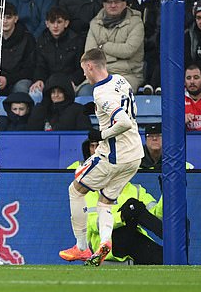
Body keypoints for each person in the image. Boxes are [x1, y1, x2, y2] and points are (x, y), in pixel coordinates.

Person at [59, 47, 144, 266]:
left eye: (84, 70)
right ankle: (105, 243)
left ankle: (81, 247)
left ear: (89, 66)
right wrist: (97, 110)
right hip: (135, 155)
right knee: (105, 201)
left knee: (75, 190)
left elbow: (123, 121)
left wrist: (101, 134)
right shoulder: (120, 80)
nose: (84, 76)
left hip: (114, 155)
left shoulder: (101, 92)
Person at [84, 0, 145, 93]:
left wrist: (103, 46)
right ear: (103, 4)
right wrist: (116, 55)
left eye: (116, 2)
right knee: (84, 92)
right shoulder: (95, 23)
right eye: (109, 2)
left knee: (113, 95)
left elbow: (128, 50)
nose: (112, 5)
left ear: (125, 4)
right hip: (98, 74)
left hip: (127, 74)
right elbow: (90, 54)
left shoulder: (136, 22)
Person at [29, 7, 85, 96]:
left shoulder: (77, 40)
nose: (55, 26)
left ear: (66, 23)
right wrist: (39, 79)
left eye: (59, 22)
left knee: (85, 92)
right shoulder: (41, 41)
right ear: (47, 24)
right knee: (35, 92)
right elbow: (39, 66)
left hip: (72, 82)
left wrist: (73, 81)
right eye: (52, 22)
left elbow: (82, 67)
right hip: (49, 83)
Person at [126, 0, 163, 94]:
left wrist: (148, 42)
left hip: (153, 45)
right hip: (131, 45)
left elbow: (160, 26)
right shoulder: (126, 0)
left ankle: (153, 85)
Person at [0, 2, 36, 96]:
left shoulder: (27, 38)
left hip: (18, 79)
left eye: (8, 17)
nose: (4, 21)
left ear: (16, 18)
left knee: (21, 86)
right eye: (1, 17)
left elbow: (29, 68)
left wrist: (7, 79)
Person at [27, 73, 92, 131]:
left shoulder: (78, 109)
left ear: (66, 93)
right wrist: (40, 109)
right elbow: (32, 130)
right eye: (53, 92)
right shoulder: (43, 109)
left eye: (60, 92)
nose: (56, 95)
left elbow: (85, 134)